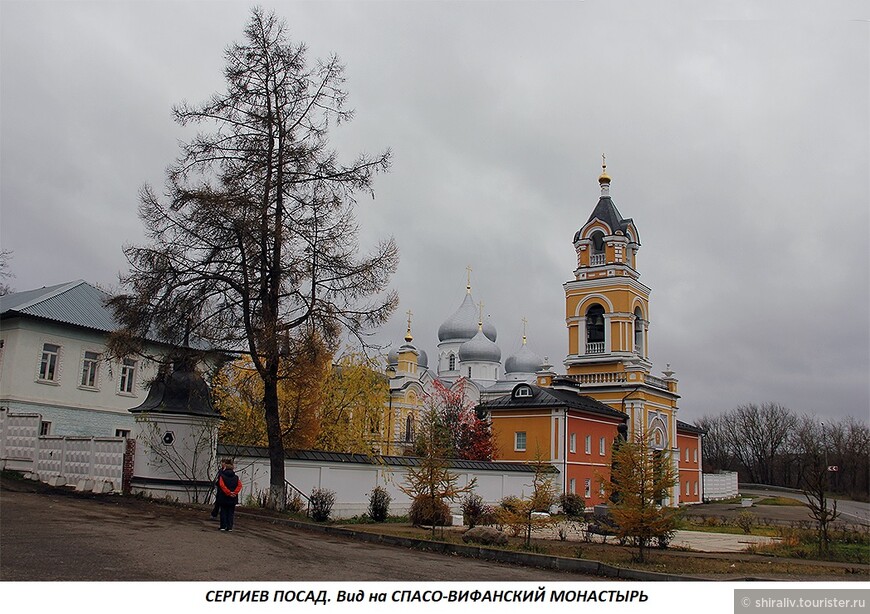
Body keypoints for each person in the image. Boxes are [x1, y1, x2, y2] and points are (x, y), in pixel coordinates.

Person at [216, 459, 242, 532]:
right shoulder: (236, 477)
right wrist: (234, 493)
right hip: (233, 498)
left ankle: (223, 526)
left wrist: (228, 492)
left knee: (223, 511)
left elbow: (221, 485)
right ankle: (230, 527)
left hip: (224, 497)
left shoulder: (222, 476)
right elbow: (239, 485)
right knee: (231, 512)